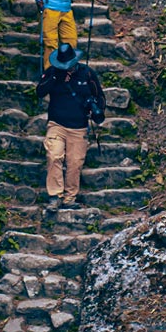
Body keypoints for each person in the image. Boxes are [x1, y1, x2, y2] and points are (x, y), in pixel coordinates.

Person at [36, 43, 106, 211]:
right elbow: (39, 91)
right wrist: (55, 78)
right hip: (57, 124)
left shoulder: (87, 73)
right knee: (54, 155)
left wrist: (97, 110)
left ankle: (69, 198)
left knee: (75, 163)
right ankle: (55, 196)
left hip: (79, 127)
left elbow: (100, 96)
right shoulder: (53, 73)